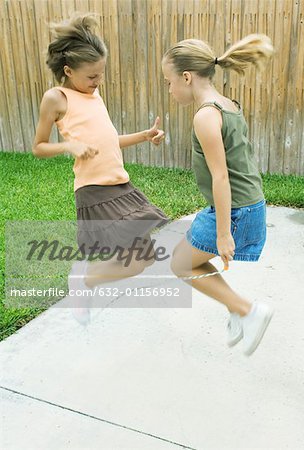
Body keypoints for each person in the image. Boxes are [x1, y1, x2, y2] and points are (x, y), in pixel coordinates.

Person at [33, 13, 168, 324]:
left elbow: (109, 141)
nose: (98, 82)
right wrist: (68, 146)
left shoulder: (95, 96)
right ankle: (82, 282)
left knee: (141, 261)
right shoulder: (56, 98)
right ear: (68, 70)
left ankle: (85, 281)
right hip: (95, 191)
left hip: (120, 186)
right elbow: (38, 147)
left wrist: (144, 136)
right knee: (134, 260)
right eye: (92, 77)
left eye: (101, 75)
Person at [162, 34, 275, 356]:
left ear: (186, 77)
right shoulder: (227, 105)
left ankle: (247, 310)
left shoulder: (205, 115)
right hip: (246, 205)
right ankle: (238, 310)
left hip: (236, 211)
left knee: (182, 265)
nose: (170, 90)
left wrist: (224, 232)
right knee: (187, 262)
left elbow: (221, 175)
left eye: (169, 82)